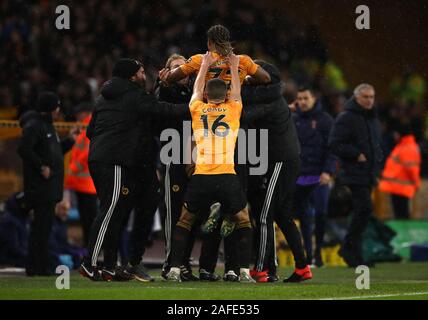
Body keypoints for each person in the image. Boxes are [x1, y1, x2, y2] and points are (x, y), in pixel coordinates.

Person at [80, 58, 189, 281]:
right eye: (140, 71)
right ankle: (89, 262)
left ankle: (110, 266)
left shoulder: (103, 97)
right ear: (132, 76)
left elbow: (91, 131)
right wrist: (195, 107)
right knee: (110, 210)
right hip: (116, 160)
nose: (143, 75)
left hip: (100, 158)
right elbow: (162, 109)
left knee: (113, 210)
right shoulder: (134, 96)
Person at [166, 52, 254, 283]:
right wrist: (234, 67)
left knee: (185, 220)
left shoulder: (197, 108)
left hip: (201, 175)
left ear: (205, 94)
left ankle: (175, 269)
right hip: (226, 175)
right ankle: (244, 271)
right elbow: (236, 90)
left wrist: (204, 65)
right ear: (226, 95)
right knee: (243, 219)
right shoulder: (233, 108)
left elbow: (195, 89)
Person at [242, 61, 311, 283]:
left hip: (279, 162)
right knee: (282, 215)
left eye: (252, 74)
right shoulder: (272, 98)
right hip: (285, 161)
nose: (248, 77)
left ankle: (261, 269)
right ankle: (302, 267)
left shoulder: (269, 101)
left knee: (263, 215)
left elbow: (242, 115)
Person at [18, 92, 77, 276]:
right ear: (51, 109)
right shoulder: (35, 126)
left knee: (43, 230)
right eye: (57, 107)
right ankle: (37, 268)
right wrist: (41, 166)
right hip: (40, 188)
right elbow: (23, 149)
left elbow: (54, 152)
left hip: (49, 188)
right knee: (40, 230)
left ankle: (39, 266)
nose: (59, 110)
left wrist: (70, 141)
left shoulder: (46, 126)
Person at [329, 83, 383, 267]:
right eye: (365, 97)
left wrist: (376, 171)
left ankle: (355, 256)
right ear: (356, 98)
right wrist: (354, 154)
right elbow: (334, 143)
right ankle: (347, 247)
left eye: (371, 97)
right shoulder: (347, 118)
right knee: (365, 209)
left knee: (361, 212)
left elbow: (376, 147)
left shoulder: (372, 118)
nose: (369, 100)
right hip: (353, 173)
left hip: (367, 174)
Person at [292, 87, 337, 267]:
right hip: (299, 176)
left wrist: (328, 171)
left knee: (320, 214)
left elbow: (332, 148)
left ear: (313, 98)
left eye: (305, 98)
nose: (302, 102)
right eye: (300, 99)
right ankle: (309, 255)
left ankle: (318, 253)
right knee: (303, 216)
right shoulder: (293, 120)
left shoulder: (325, 120)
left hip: (319, 177)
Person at [160, 24, 271, 87]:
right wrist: (246, 80)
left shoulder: (199, 60)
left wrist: (166, 77)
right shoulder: (242, 61)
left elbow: (170, 78)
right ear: (227, 41)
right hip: (233, 114)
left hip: (206, 115)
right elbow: (266, 78)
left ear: (209, 43)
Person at [64, 102, 98, 248]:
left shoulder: (88, 126)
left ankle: (92, 248)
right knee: (87, 219)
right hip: (82, 183)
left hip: (86, 184)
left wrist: (72, 169)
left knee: (89, 219)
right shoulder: (83, 127)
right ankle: (90, 247)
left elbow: (85, 154)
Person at [379, 123, 421, 219]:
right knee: (400, 214)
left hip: (402, 188)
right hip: (398, 187)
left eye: (396, 133)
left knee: (403, 215)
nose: (394, 136)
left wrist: (416, 183)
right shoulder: (403, 146)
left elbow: (412, 169)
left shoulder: (407, 147)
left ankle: (405, 233)